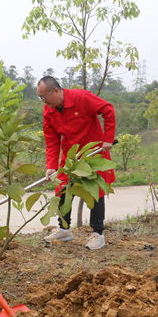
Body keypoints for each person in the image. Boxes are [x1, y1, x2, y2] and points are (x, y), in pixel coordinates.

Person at [38, 76, 116, 250]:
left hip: (92, 154)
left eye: (45, 97)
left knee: (94, 191)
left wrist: (107, 139)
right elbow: (51, 140)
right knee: (63, 188)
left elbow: (108, 110)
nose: (43, 101)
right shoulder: (48, 110)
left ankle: (98, 233)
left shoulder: (82, 98)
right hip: (71, 157)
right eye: (40, 98)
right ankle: (64, 229)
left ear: (56, 91)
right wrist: (51, 165)